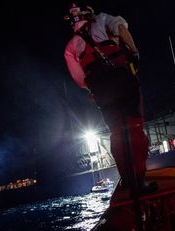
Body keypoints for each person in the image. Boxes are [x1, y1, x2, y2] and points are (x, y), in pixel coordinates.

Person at [63, 2, 157, 194]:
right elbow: (121, 28)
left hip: (101, 91)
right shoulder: (102, 19)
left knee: (117, 133)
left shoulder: (71, 47)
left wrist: (97, 87)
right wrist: (135, 53)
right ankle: (139, 181)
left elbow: (80, 80)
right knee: (134, 127)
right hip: (122, 79)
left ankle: (127, 180)